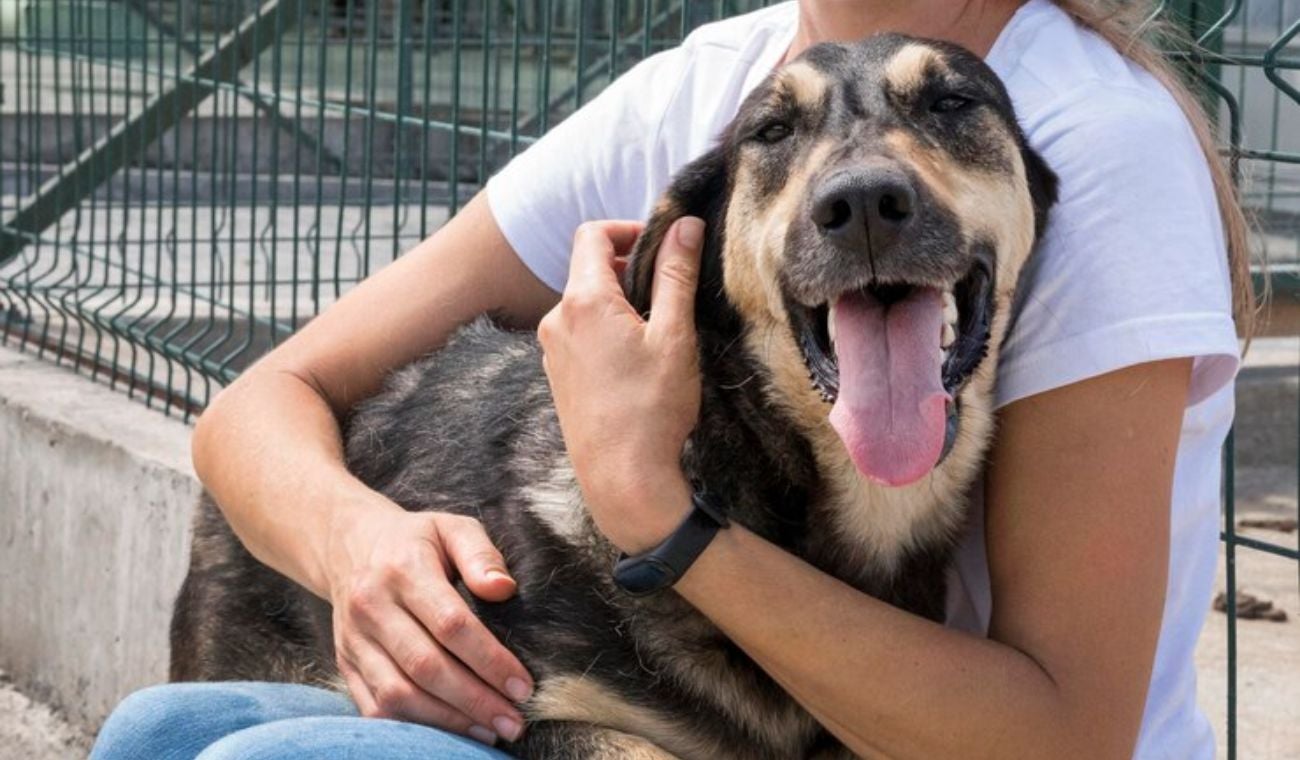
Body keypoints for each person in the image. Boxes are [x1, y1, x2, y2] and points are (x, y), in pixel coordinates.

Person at [91, 0, 1254, 758]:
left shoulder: (1101, 142)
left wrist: (658, 514)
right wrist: (360, 550)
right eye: (785, 148)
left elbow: (1065, 738)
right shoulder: (702, 90)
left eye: (942, 111)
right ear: (686, 249)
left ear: (1030, 200)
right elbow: (256, 404)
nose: (859, 187)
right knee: (156, 733)